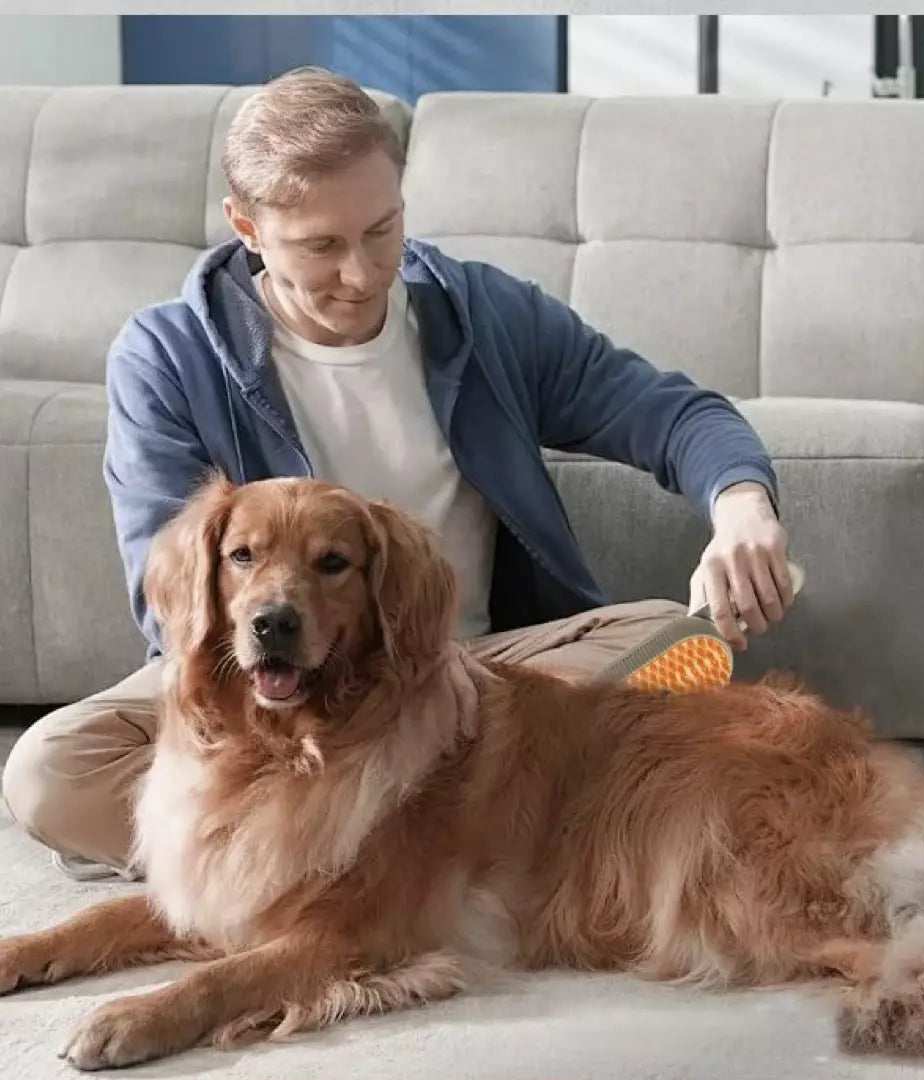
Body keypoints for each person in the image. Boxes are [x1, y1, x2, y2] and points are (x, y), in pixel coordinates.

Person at [1, 67, 794, 881]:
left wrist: (740, 503)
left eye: (383, 230)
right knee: (48, 772)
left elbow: (671, 411)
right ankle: (384, 848)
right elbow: (168, 598)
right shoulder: (168, 356)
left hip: (478, 680)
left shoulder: (482, 316)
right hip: (273, 693)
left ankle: (345, 851)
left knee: (675, 638)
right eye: (321, 246)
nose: (362, 272)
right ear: (247, 226)